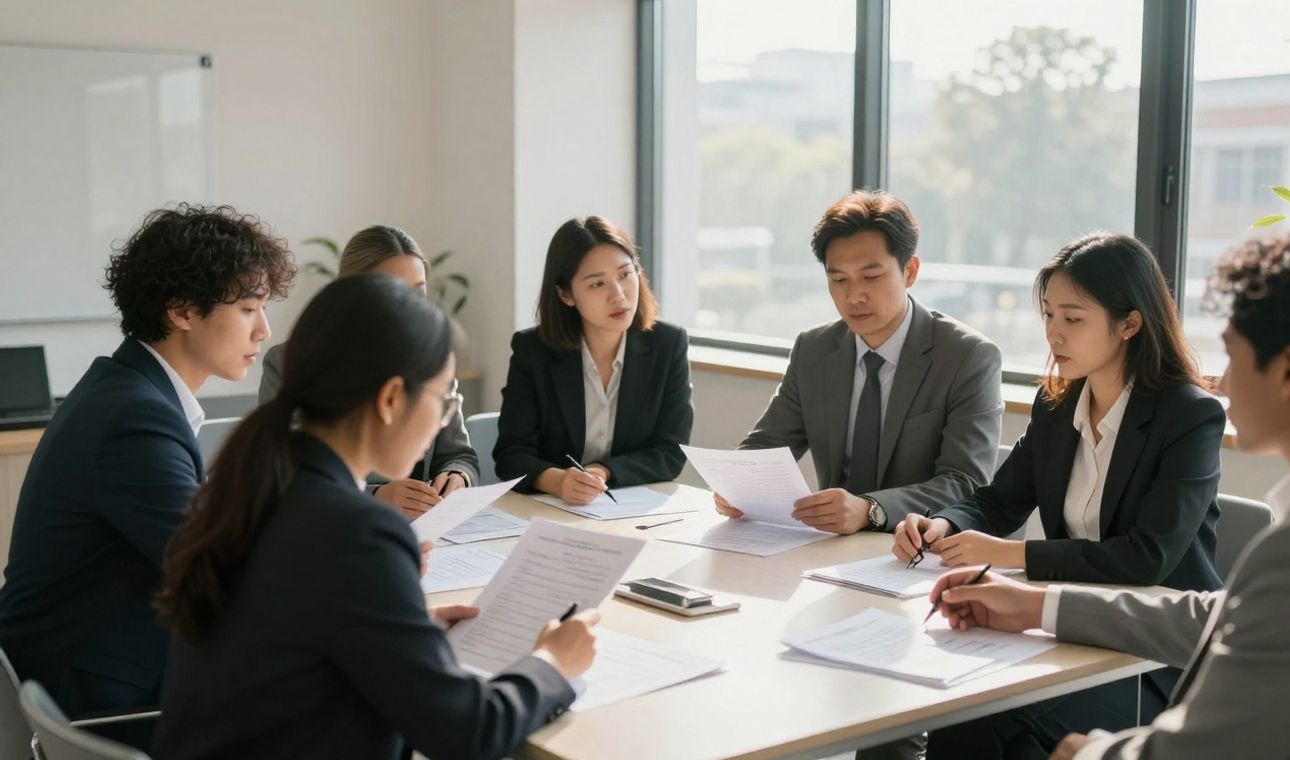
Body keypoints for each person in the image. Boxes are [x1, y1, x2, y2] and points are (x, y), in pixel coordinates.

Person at [928, 229, 1290, 760]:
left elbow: (1214, 751)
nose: (1223, 383)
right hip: (1094, 643)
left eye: (1232, 357)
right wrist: (1036, 604)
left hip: (1148, 680)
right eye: (1048, 315)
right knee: (971, 725)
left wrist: (1090, 758)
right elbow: (1215, 614)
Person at [152, 274, 598, 760]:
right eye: (443, 402)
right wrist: (553, 663)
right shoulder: (357, 530)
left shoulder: (255, 484)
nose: (442, 420)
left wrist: (401, 630)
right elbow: (469, 734)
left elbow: (288, 628)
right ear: (389, 400)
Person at [889, 232, 1224, 760]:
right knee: (959, 711)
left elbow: (1147, 557)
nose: (1053, 334)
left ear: (1130, 323)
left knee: (984, 716)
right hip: (1068, 632)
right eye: (1047, 315)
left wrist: (1010, 555)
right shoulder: (1056, 406)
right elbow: (999, 500)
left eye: (1073, 319)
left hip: (1152, 660)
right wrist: (944, 526)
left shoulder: (1189, 416)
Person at [0, 204, 294, 741]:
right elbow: (217, 568)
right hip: (99, 702)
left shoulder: (125, 390)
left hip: (91, 669)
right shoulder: (133, 418)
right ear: (182, 311)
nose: (265, 330)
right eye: (250, 309)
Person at [718, 189, 1002, 535]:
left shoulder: (967, 357)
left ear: (909, 271)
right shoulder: (814, 349)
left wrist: (870, 510)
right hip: (830, 548)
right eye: (839, 280)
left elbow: (964, 481)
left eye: (871, 277)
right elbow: (767, 446)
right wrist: (738, 484)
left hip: (918, 551)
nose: (854, 296)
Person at [260, 225, 479, 517]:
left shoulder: (434, 360)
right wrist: (376, 494)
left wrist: (457, 477)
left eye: (418, 292)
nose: (410, 306)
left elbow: (460, 455)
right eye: (393, 291)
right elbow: (287, 471)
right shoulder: (292, 360)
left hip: (426, 528)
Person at [494, 216, 693, 504]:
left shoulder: (668, 344)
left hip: (630, 510)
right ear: (566, 295)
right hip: (551, 511)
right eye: (597, 284)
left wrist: (603, 471)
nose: (619, 295)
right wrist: (559, 481)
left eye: (626, 274)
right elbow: (511, 455)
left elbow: (671, 452)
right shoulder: (533, 350)